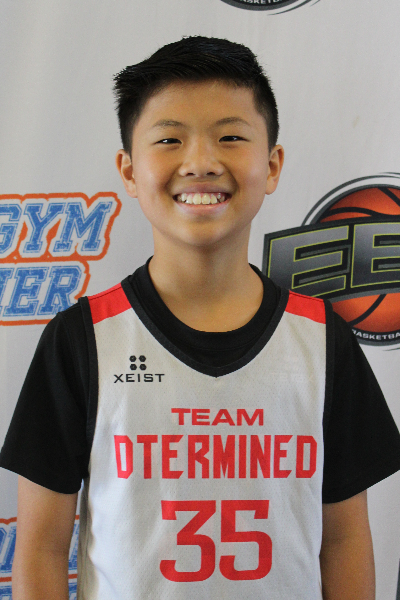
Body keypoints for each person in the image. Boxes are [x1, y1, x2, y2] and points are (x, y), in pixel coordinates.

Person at [1, 36, 400, 600]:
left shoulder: (321, 339)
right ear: (129, 170)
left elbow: (344, 541)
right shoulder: (81, 340)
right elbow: (41, 548)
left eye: (230, 137)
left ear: (272, 164)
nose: (201, 163)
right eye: (169, 139)